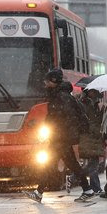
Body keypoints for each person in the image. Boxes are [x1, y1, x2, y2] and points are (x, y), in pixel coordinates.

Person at [23, 68, 95, 203]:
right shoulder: (60, 95)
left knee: (51, 164)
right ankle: (87, 190)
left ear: (53, 81)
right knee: (69, 164)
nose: (45, 83)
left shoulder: (61, 97)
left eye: (47, 81)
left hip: (60, 137)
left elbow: (64, 118)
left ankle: (39, 192)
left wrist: (57, 131)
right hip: (61, 137)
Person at [67, 88, 105, 194]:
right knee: (93, 164)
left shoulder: (93, 104)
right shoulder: (85, 105)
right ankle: (96, 188)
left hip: (92, 138)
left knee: (91, 164)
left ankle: (73, 177)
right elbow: (90, 122)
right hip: (89, 138)